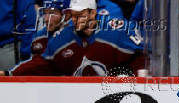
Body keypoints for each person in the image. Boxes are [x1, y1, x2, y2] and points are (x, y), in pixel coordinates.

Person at [0, 0, 144, 76]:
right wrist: (11, 73)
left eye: (81, 15)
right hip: (76, 100)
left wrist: (129, 78)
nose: (76, 20)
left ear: (93, 13)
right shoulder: (63, 36)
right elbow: (43, 63)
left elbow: (141, 56)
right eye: (73, 15)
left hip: (112, 97)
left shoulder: (115, 31)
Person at [0, 0, 37, 70]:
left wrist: (25, 51)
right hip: (8, 47)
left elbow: (29, 23)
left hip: (9, 48)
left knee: (8, 79)